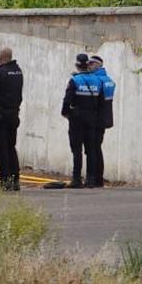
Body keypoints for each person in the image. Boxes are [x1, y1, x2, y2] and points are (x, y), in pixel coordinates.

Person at [59, 52, 104, 189]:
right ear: (88, 65)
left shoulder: (75, 80)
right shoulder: (97, 81)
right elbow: (101, 101)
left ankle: (77, 179)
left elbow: (67, 100)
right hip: (92, 119)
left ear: (78, 65)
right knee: (91, 149)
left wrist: (66, 113)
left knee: (77, 150)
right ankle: (91, 179)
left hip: (77, 119)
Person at [0, 47, 24, 191]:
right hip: (14, 114)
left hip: (0, 116)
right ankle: (15, 178)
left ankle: (5, 179)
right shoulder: (18, 71)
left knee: (1, 148)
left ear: (1, 57)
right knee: (11, 147)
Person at [86, 54, 115, 187]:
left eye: (91, 64)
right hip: (104, 119)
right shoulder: (108, 80)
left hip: (96, 119)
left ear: (98, 65)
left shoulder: (97, 81)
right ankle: (98, 178)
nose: (88, 66)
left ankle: (95, 178)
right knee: (97, 147)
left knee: (94, 149)